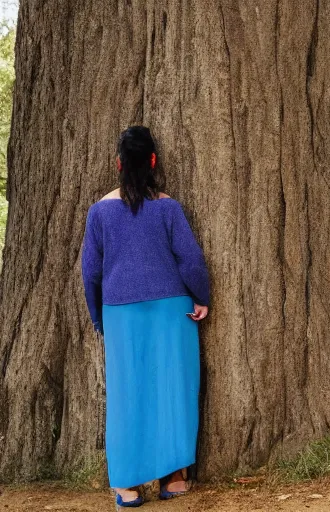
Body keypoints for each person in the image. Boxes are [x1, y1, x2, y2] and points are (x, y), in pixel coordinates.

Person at [81, 125, 210, 509]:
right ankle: (173, 478)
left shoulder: (100, 211)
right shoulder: (168, 207)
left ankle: (127, 485)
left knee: (126, 396)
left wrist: (98, 317)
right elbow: (191, 259)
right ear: (153, 161)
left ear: (118, 163)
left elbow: (91, 272)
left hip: (120, 313)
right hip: (173, 311)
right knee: (174, 390)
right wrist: (201, 297)